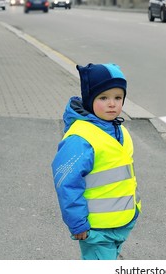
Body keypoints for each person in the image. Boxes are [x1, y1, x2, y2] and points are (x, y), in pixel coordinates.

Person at [51, 63, 141, 260]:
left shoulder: (120, 131)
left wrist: (134, 210)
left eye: (118, 97)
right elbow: (67, 183)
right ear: (90, 99)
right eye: (103, 98)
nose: (112, 104)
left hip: (121, 222)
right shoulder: (80, 139)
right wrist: (77, 223)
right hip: (96, 227)